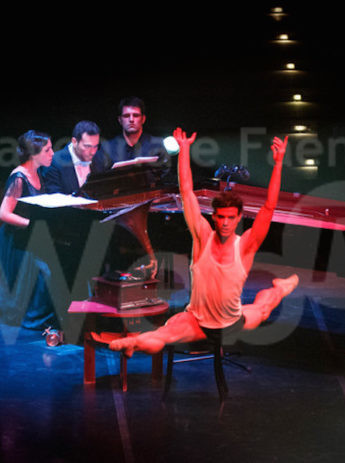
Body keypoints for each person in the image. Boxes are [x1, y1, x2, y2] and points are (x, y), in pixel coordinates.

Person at [109, 128, 299, 357]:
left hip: (230, 323)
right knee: (163, 334)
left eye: (231, 218)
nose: (225, 223)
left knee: (264, 308)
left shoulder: (245, 245)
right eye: (221, 217)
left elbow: (269, 207)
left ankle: (281, 287)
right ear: (214, 217)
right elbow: (187, 192)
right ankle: (135, 342)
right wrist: (184, 150)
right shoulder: (203, 237)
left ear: (239, 218)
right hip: (197, 322)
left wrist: (278, 163)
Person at [0, 130, 57, 330]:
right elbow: (4, 213)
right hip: (16, 241)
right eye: (47, 150)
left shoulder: (39, 173)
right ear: (34, 154)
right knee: (46, 272)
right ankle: (36, 317)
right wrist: (31, 224)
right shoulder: (19, 178)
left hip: (31, 237)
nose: (52, 153)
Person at [90, 96, 170, 174]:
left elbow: (166, 175)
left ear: (143, 119)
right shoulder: (106, 149)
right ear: (120, 120)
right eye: (126, 116)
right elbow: (98, 179)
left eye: (136, 115)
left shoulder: (157, 144)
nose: (131, 120)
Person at [43, 120, 100, 195]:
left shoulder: (99, 158)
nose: (93, 152)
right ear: (74, 141)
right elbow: (54, 196)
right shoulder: (54, 162)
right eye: (87, 146)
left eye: (95, 146)